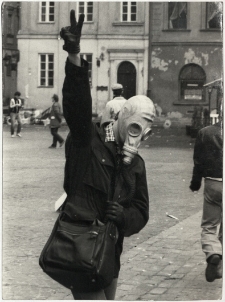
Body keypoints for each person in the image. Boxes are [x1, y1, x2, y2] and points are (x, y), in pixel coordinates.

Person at [60, 10, 156, 300]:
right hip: (79, 247)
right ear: (124, 117)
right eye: (137, 125)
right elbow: (77, 105)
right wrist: (75, 57)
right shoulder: (88, 141)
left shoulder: (135, 164)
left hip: (109, 254)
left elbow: (141, 210)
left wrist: (124, 216)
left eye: (147, 130)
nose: (140, 135)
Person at [190, 99, 223, 282]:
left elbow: (198, 162)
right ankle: (220, 264)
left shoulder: (205, 132)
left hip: (213, 183)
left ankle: (213, 253)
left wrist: (195, 183)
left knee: (209, 225)